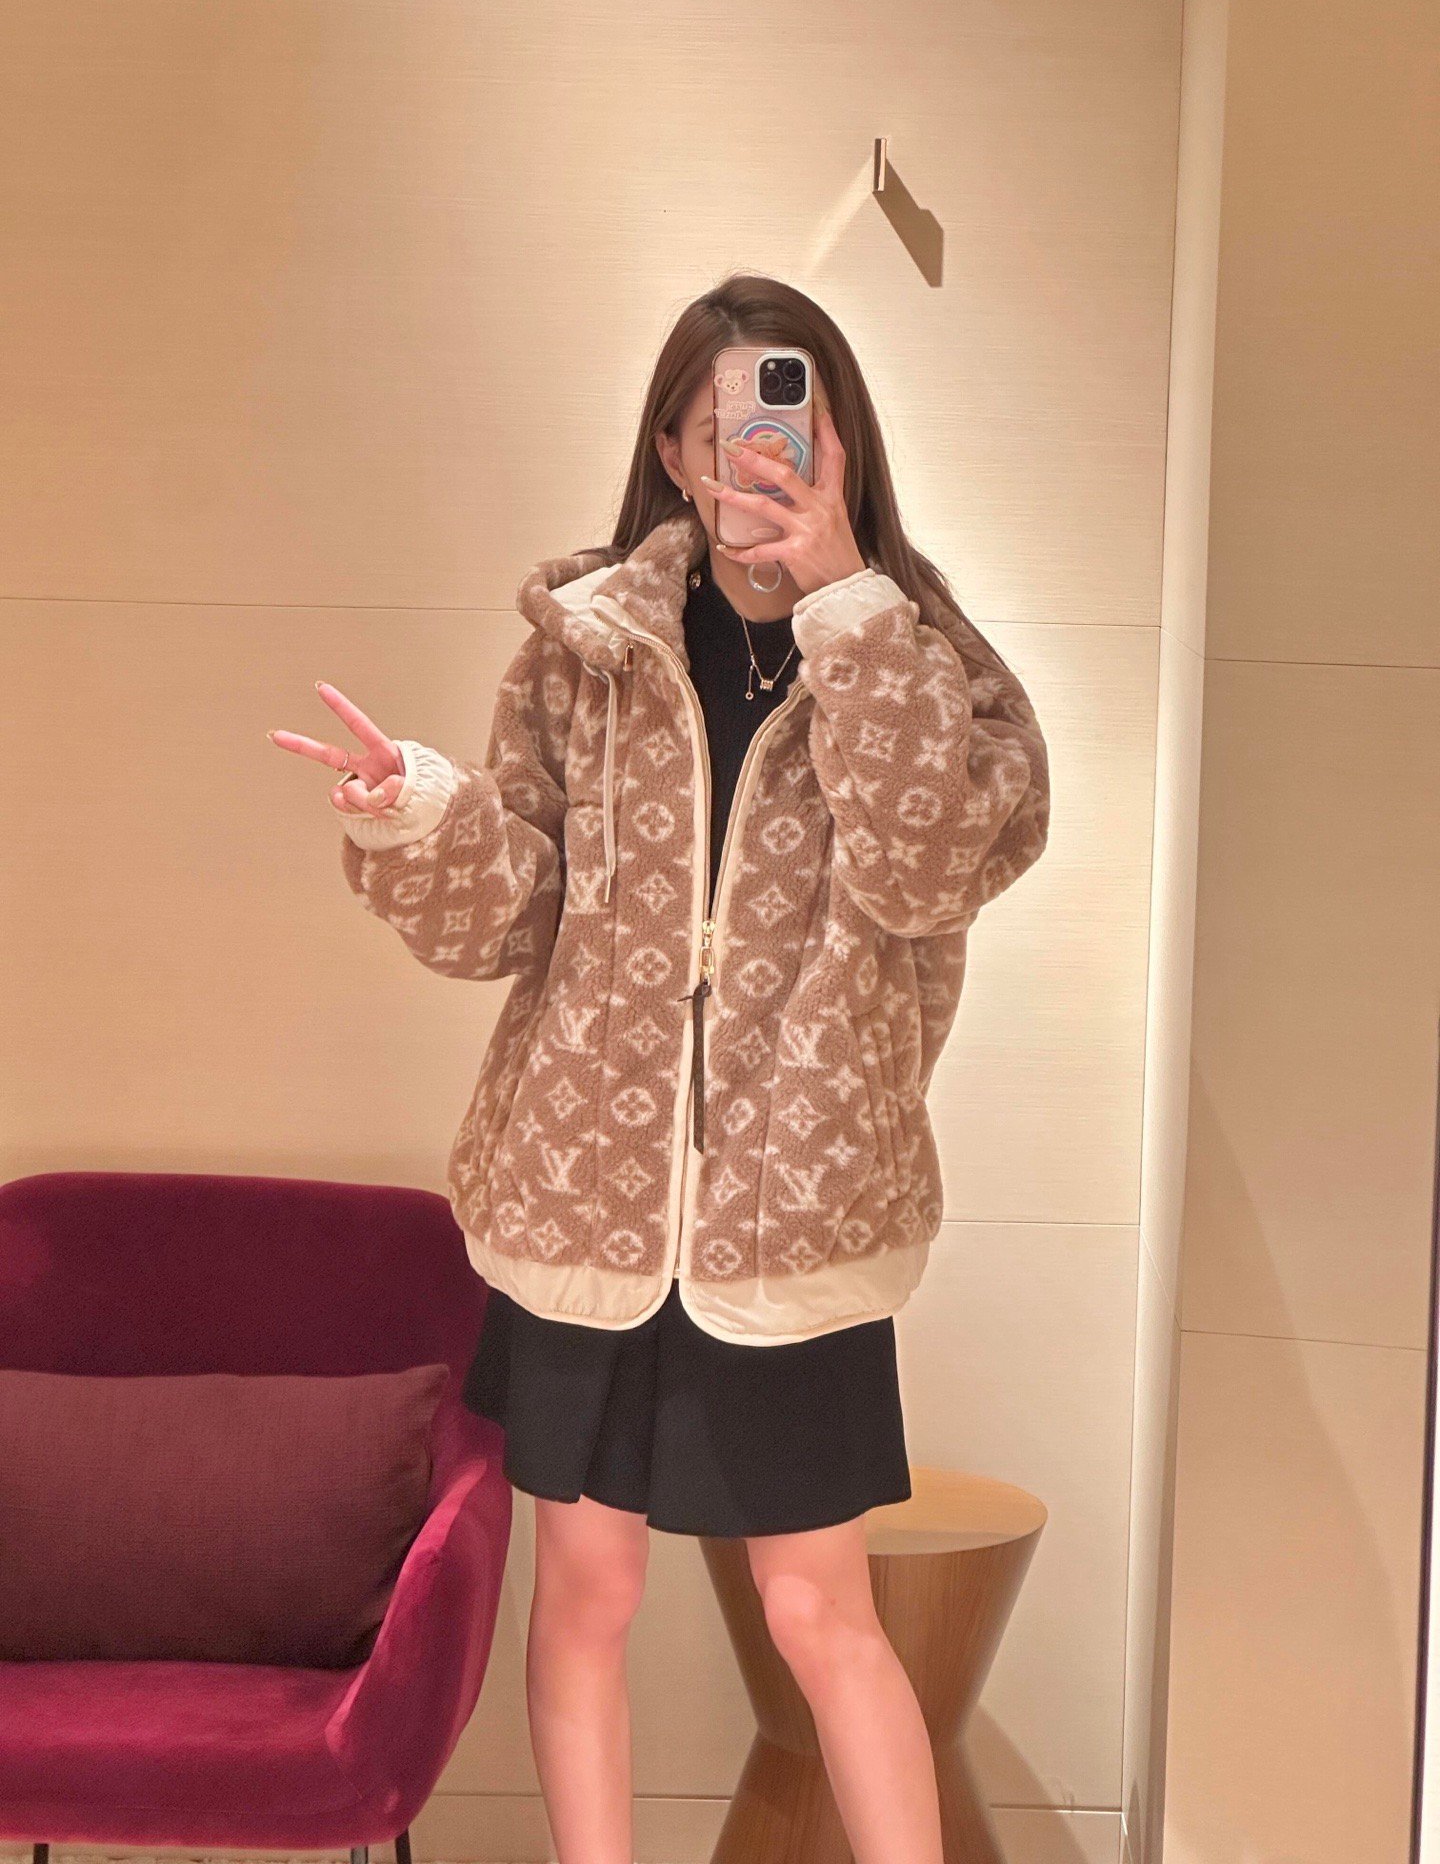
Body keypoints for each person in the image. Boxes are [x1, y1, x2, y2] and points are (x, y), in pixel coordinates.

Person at [269, 271, 1050, 1864]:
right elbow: (514, 916)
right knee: (589, 1597)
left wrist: (847, 605)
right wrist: (415, 811)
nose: (755, 457)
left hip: (795, 1212)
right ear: (675, 453)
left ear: (840, 445)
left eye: (789, 427)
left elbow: (930, 870)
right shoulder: (587, 648)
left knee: (821, 1612)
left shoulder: (922, 654)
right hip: (587, 1196)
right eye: (720, 430)